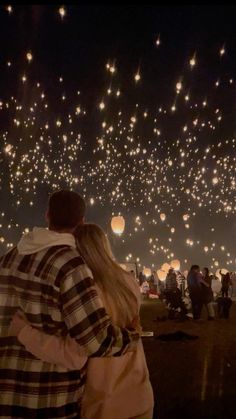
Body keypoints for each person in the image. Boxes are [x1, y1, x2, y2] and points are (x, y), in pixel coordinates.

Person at [0, 190, 140, 418]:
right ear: (81, 221)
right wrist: (132, 336)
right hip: (49, 397)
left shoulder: (8, 259)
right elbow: (95, 341)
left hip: (7, 392)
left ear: (47, 215)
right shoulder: (70, 265)